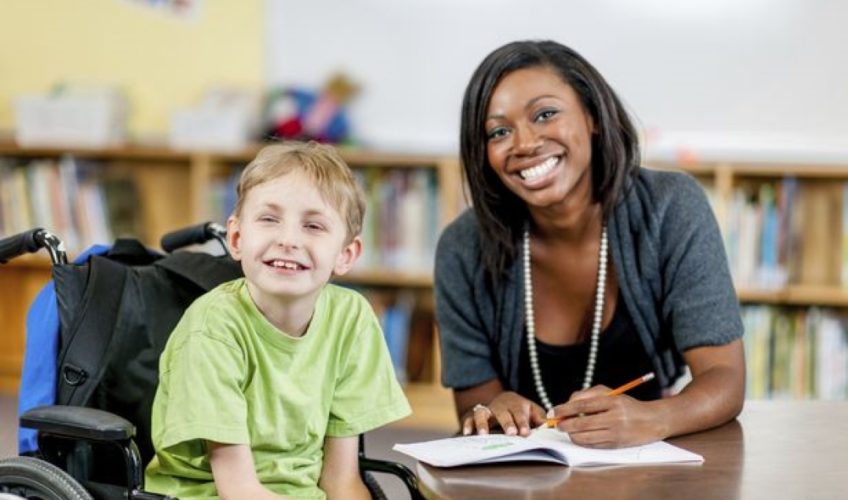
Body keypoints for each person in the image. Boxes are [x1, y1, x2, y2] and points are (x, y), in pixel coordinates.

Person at [435, 40, 745, 449]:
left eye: (545, 114)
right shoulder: (462, 247)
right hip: (526, 474)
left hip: (650, 461)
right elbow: (473, 407)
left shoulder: (672, 208)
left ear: (593, 116)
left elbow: (725, 378)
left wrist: (653, 418)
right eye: (499, 132)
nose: (524, 143)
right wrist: (493, 409)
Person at [145, 142, 411, 498]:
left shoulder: (352, 319)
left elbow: (340, 480)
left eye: (313, 226)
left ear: (346, 255)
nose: (288, 240)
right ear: (237, 238)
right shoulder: (213, 329)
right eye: (269, 219)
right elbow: (238, 490)